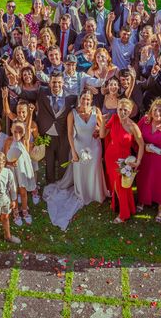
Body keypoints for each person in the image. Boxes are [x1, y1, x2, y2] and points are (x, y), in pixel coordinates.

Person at [44, 91, 108, 230]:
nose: (85, 101)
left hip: (94, 146)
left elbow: (102, 135)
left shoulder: (96, 111)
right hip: (78, 146)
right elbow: (69, 134)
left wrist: (102, 123)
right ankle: (82, 193)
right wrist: (73, 151)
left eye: (88, 99)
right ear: (80, 99)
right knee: (80, 171)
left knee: (95, 170)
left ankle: (96, 193)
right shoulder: (72, 113)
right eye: (83, 98)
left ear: (91, 100)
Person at [10, 71, 74, 183]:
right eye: (53, 82)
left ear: (63, 82)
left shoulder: (71, 96)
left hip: (63, 134)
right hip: (46, 133)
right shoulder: (42, 92)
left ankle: (62, 183)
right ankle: (50, 183)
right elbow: (25, 94)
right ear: (49, 82)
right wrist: (15, 86)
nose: (56, 85)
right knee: (49, 161)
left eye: (59, 82)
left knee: (63, 159)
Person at [101, 98, 145, 223]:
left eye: (125, 110)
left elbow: (141, 144)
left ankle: (124, 214)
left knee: (123, 186)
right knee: (115, 184)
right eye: (120, 109)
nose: (122, 112)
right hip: (110, 157)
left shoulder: (133, 126)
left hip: (124, 161)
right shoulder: (114, 119)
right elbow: (103, 135)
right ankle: (120, 206)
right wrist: (103, 123)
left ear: (130, 111)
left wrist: (138, 161)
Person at [3, 106, 37, 226]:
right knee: (14, 191)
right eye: (15, 131)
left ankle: (25, 210)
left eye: (20, 131)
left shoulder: (25, 141)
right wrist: (9, 163)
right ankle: (15, 212)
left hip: (22, 169)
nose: (17, 133)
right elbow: (4, 159)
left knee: (23, 192)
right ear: (11, 130)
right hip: (12, 169)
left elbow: (28, 128)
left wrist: (31, 113)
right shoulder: (8, 141)